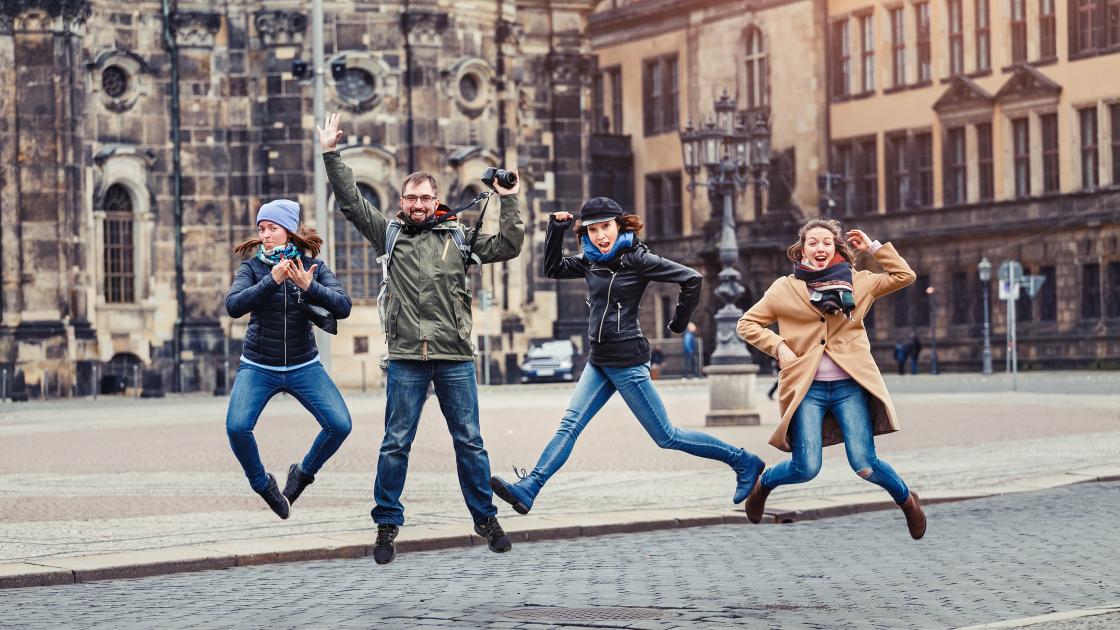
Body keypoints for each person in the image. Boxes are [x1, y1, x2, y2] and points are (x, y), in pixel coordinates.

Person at [319, 112, 523, 564]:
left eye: (425, 198)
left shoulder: (460, 238)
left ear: (436, 200)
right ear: (402, 201)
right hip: (407, 356)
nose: (417, 204)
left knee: (469, 441)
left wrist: (509, 200)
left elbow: (509, 246)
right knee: (396, 443)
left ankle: (486, 519)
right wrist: (331, 154)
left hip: (455, 356)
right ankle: (386, 524)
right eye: (411, 197)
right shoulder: (388, 234)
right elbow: (352, 202)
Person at [489, 199, 765, 516]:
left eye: (606, 227)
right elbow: (552, 269)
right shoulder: (590, 261)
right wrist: (556, 229)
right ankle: (530, 487)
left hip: (627, 361)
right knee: (569, 426)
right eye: (592, 230)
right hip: (598, 360)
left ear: (618, 225)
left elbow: (691, 278)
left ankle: (743, 461)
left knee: (667, 436)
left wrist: (678, 323)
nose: (600, 236)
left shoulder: (637, 258)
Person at [737, 219, 926, 539]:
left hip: (849, 387)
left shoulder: (858, 282)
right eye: (813, 243)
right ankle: (762, 486)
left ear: (836, 247)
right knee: (805, 467)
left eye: (826, 242)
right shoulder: (784, 288)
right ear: (802, 250)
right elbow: (747, 323)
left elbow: (904, 276)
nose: (820, 248)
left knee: (864, 463)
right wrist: (779, 347)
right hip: (807, 389)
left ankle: (908, 501)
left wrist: (873, 248)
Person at [224, 199, 354, 520]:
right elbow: (234, 305)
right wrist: (272, 281)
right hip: (258, 365)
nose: (265, 235)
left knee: (339, 425)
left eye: (273, 228)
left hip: (303, 364)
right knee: (237, 427)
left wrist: (309, 286)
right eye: (261, 229)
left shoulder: (313, 267)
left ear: (289, 232)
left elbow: (343, 306)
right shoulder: (252, 267)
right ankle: (263, 484)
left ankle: (302, 473)